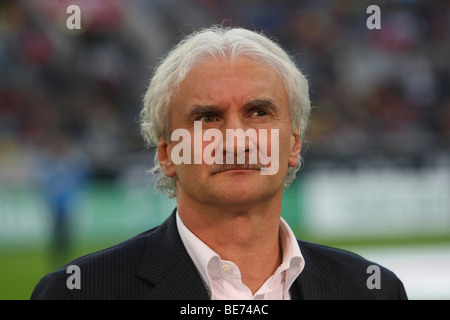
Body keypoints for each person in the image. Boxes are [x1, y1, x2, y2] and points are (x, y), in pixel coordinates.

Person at [31, 26, 407, 300]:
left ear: (293, 145)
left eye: (259, 112)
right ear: (166, 154)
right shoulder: (78, 292)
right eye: (207, 118)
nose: (235, 138)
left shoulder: (372, 290)